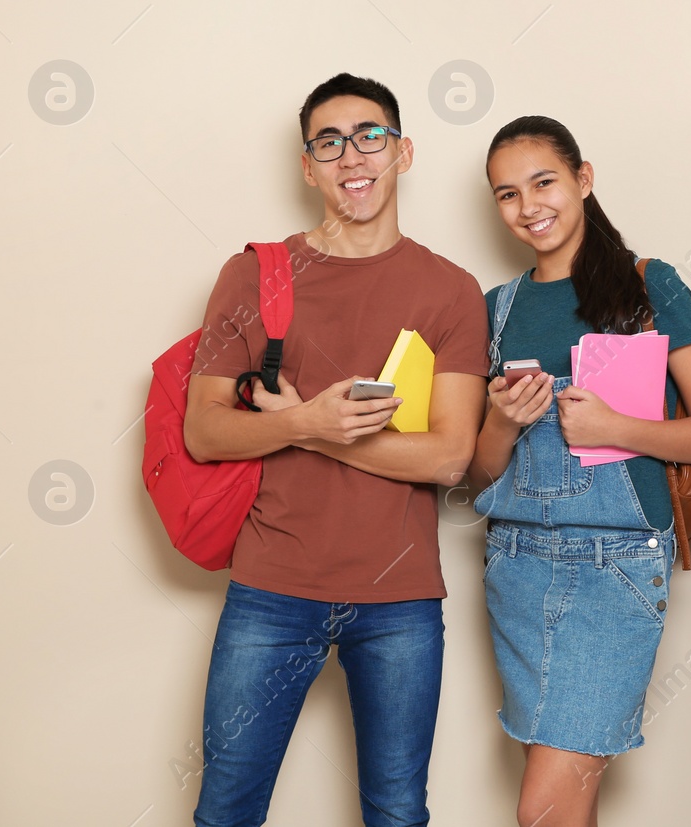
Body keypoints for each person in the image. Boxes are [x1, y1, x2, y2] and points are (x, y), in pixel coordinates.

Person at [184, 73, 489, 827]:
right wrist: (302, 423)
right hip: (271, 585)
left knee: (395, 814)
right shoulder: (255, 273)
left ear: (403, 151)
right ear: (308, 165)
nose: (352, 155)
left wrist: (317, 428)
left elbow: (450, 457)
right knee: (225, 811)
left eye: (370, 135)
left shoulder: (450, 290)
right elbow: (204, 430)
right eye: (330, 141)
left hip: (400, 599)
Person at [466, 115, 691, 827]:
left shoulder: (650, 285)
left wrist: (615, 426)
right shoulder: (498, 310)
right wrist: (502, 422)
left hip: (614, 568)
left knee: (542, 807)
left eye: (544, 182)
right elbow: (475, 476)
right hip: (517, 565)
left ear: (584, 178)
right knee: (565, 804)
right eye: (507, 194)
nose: (529, 206)